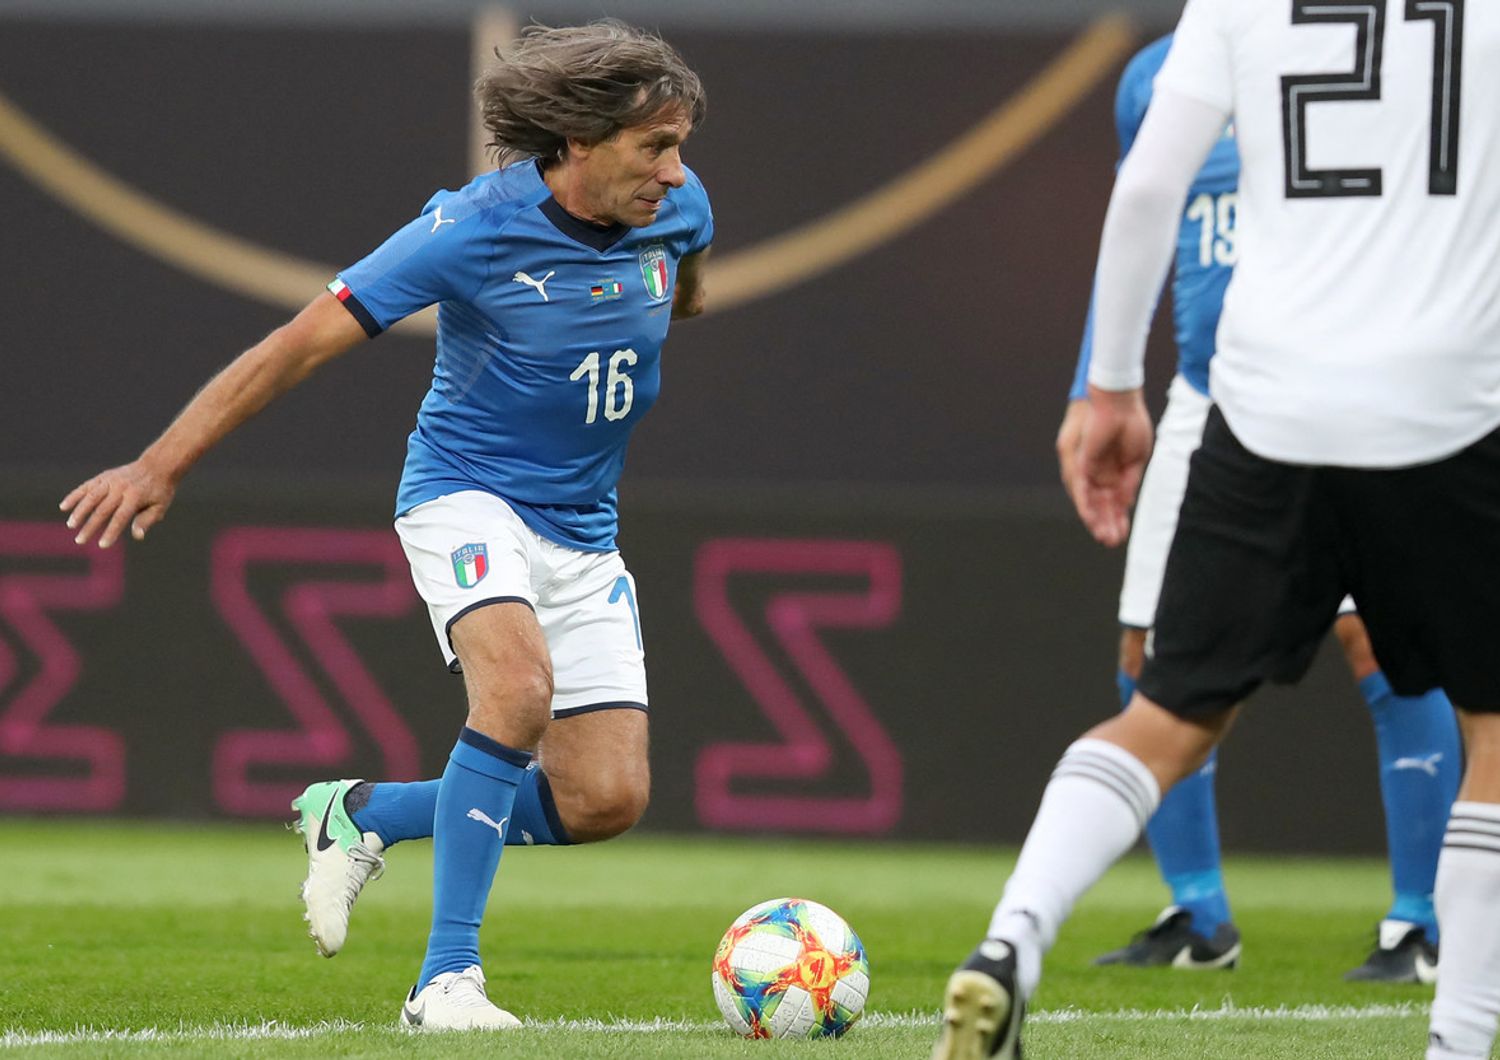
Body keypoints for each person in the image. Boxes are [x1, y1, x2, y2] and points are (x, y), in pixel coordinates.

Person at [60, 20, 712, 1032]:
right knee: (519, 693)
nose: (677, 171)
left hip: (584, 528)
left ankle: (360, 814)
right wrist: (160, 463)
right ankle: (444, 983)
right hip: (467, 493)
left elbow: (685, 274)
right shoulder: (471, 229)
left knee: (604, 800)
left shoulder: (678, 208)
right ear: (579, 140)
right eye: (654, 147)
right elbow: (298, 344)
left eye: (680, 146)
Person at [932, 3, 1500, 1058]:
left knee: (1166, 713)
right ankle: (1458, 1039)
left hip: (1264, 403)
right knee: (1497, 733)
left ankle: (1011, 942)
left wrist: (1108, 392)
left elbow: (1147, 185)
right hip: (1453, 403)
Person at [1056, 34, 1459, 982]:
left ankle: (1421, 920)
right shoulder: (1155, 75)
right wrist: (1097, 386)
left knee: (1386, 642)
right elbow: (1139, 226)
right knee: (1149, 655)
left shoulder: (1383, 44)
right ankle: (1200, 916)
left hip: (1342, 380)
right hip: (1206, 395)